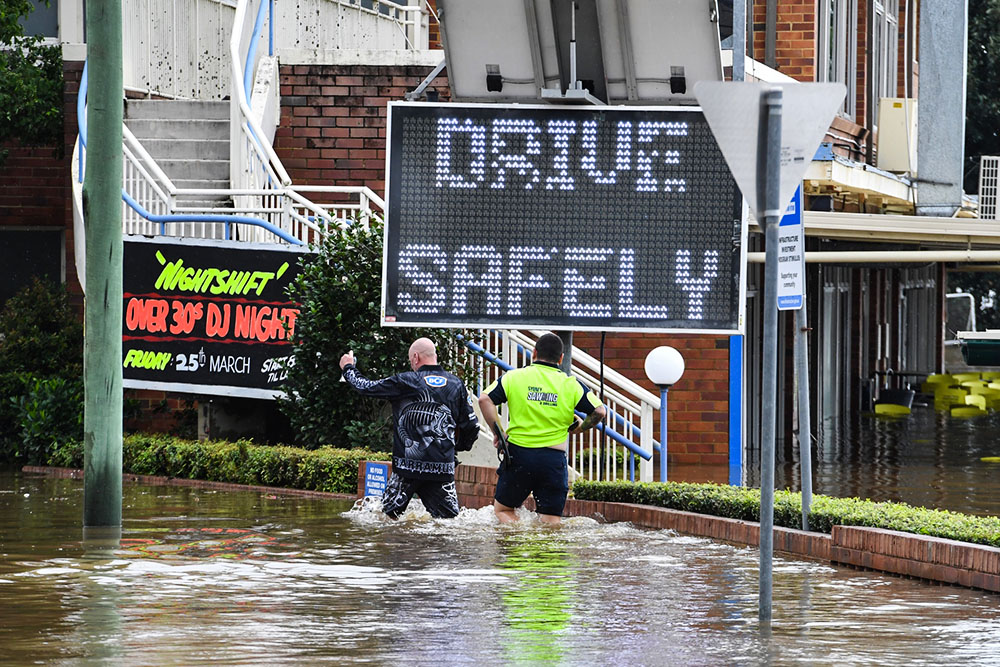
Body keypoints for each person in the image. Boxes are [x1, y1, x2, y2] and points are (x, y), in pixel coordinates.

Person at [339, 337, 479, 519]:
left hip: (407, 470)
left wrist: (348, 368)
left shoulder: (406, 381)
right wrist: (456, 447)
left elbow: (366, 387)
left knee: (385, 519)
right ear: (434, 356)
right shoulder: (456, 384)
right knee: (448, 524)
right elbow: (472, 425)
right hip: (441, 469)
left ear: (415, 357)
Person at [478, 333, 606, 525]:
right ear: (561, 358)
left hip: (519, 457)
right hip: (553, 461)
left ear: (534, 353)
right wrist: (580, 428)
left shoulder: (514, 377)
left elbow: (484, 399)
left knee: (504, 510)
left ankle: (519, 537)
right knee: (551, 520)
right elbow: (600, 411)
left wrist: (499, 432)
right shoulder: (571, 384)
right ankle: (545, 554)